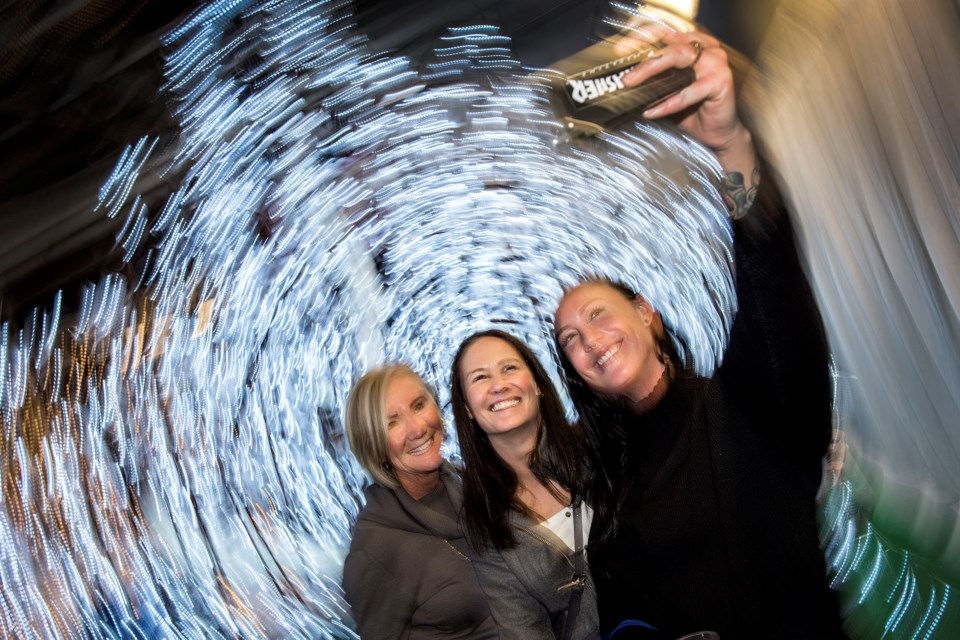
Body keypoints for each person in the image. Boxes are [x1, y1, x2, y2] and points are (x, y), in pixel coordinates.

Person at [552, 26, 848, 640]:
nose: (589, 340)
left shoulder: (745, 401)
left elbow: (773, 297)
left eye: (599, 314)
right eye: (570, 340)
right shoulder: (602, 473)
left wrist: (731, 146)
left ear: (647, 311)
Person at [450, 329, 598, 640]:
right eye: (479, 378)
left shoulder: (597, 446)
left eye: (510, 368)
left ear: (538, 384)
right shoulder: (485, 520)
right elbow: (522, 628)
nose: (499, 385)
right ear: (467, 409)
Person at [341, 365, 499, 639]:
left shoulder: (469, 484)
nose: (417, 429)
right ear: (373, 444)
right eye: (392, 422)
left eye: (418, 405)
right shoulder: (374, 551)